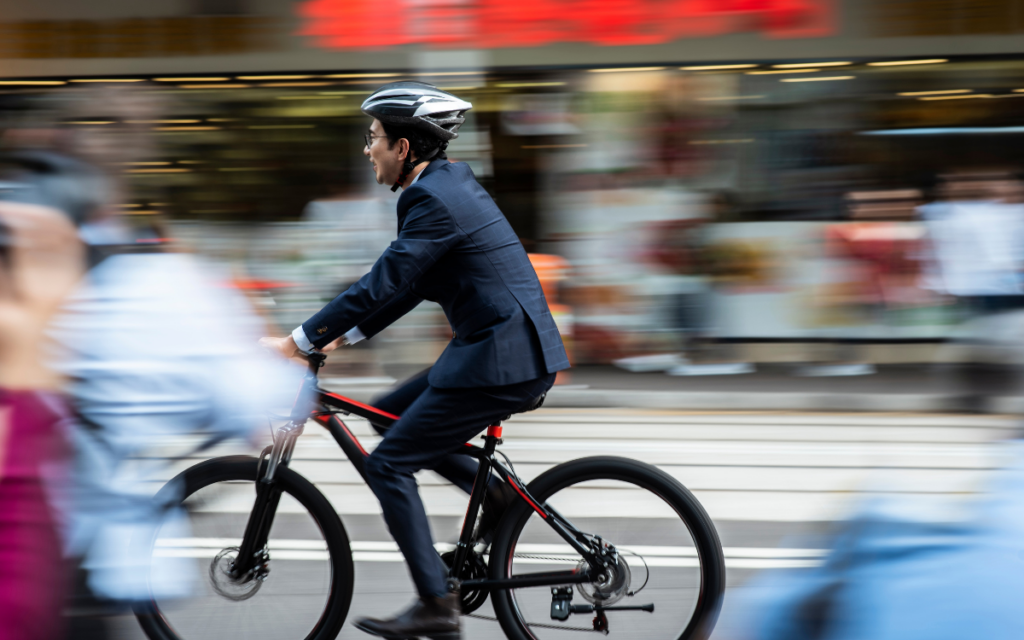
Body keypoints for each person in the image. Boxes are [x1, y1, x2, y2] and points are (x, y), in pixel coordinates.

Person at [261, 81, 570, 640]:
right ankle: (497, 499)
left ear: (404, 148)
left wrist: (296, 342)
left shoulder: (431, 199)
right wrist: (336, 338)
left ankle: (435, 603)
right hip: (499, 350)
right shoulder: (446, 187)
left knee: (388, 464)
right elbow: (408, 286)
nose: (367, 149)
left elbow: (385, 279)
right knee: (388, 416)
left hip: (502, 358)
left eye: (374, 137)